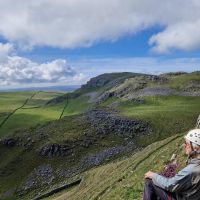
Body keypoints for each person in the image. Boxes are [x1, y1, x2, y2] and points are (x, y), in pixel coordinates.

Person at [143, 129, 200, 200]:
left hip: (183, 197)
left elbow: (170, 185)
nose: (184, 145)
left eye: (186, 143)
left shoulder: (192, 170)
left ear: (196, 148)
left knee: (149, 181)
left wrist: (153, 175)